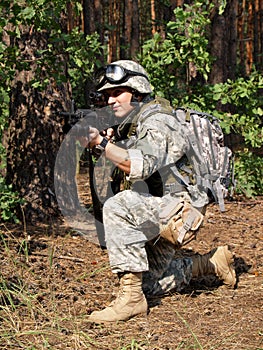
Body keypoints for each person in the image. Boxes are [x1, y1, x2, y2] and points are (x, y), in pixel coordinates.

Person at [87, 60, 236, 323]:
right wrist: (111, 142)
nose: (110, 101)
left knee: (118, 206)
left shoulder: (158, 121)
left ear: (137, 91)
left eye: (117, 93)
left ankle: (130, 301)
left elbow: (138, 165)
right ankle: (211, 263)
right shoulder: (135, 123)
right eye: (107, 95)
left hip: (180, 214)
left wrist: (101, 145)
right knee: (149, 286)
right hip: (166, 209)